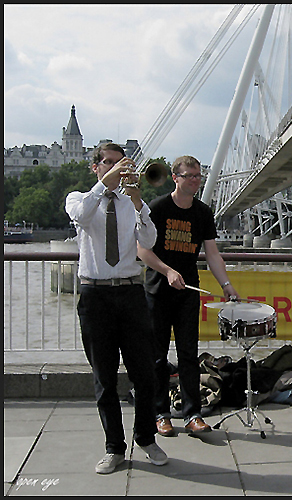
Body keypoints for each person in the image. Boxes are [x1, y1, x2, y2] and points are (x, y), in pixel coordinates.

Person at [64, 143, 168, 474]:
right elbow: (81, 217)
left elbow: (149, 241)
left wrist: (138, 202)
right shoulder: (80, 198)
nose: (113, 169)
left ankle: (146, 438)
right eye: (106, 163)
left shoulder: (129, 204)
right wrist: (105, 185)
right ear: (94, 167)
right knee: (105, 377)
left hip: (130, 293)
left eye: (118, 164)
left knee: (145, 372)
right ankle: (114, 447)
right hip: (95, 296)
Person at [135, 156, 238, 438]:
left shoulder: (203, 212)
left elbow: (212, 254)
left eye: (198, 176)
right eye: (190, 175)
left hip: (188, 291)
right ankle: (161, 413)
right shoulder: (157, 208)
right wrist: (168, 271)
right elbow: (143, 251)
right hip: (157, 289)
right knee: (156, 356)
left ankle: (193, 413)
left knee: (189, 355)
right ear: (175, 177)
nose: (195, 180)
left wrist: (226, 284)